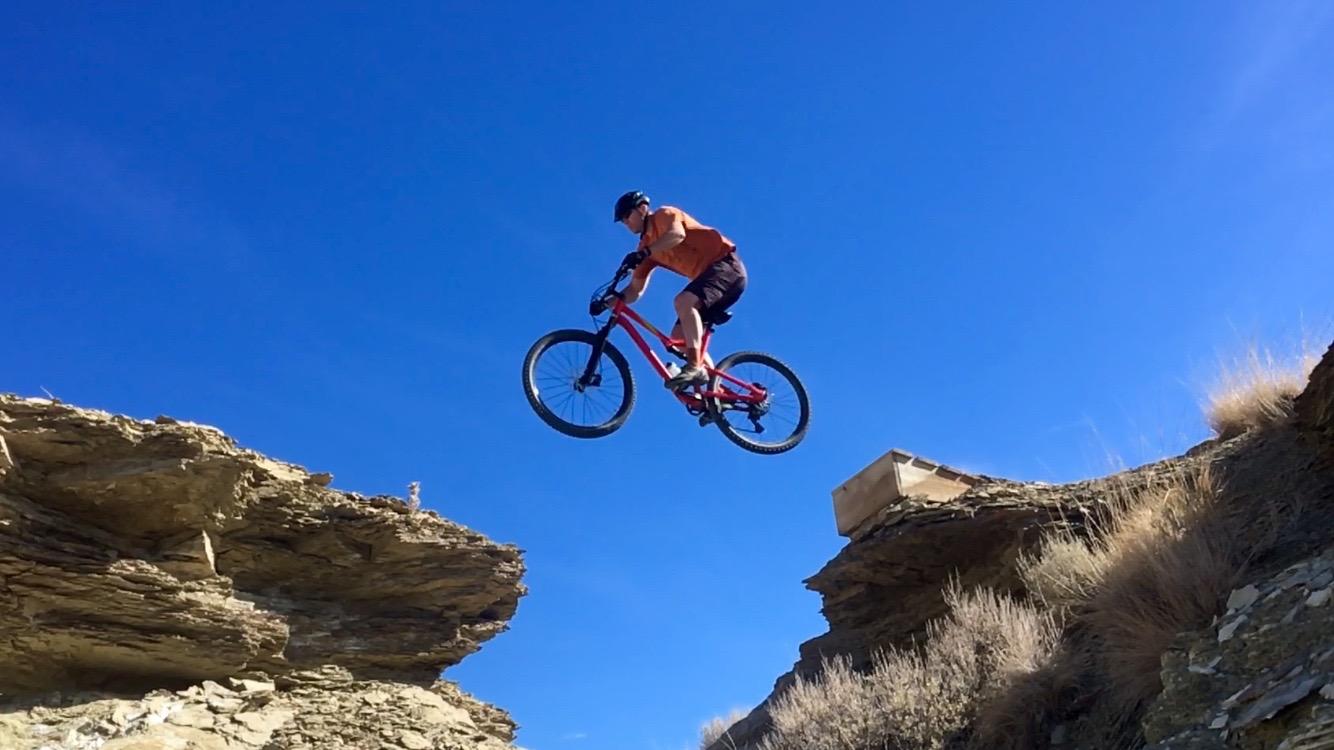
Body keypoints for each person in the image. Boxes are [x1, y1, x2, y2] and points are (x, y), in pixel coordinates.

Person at [612, 190, 748, 390]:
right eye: (622, 221)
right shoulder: (645, 248)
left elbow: (676, 235)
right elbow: (635, 290)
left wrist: (646, 253)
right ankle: (715, 394)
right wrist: (613, 300)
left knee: (683, 301)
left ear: (642, 209)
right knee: (678, 338)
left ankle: (694, 366)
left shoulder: (664, 215)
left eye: (626, 216)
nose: (625, 222)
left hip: (726, 266)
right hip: (708, 282)